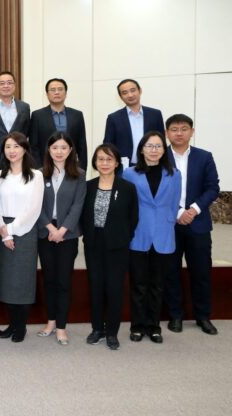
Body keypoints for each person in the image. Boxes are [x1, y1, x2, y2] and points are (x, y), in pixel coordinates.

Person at [163, 114, 220, 335]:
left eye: (184, 129)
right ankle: (175, 315)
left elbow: (212, 187)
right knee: (171, 271)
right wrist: (178, 212)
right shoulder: (160, 157)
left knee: (201, 271)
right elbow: (156, 190)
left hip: (198, 223)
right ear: (167, 133)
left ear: (192, 131)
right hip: (169, 224)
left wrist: (193, 209)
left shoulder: (204, 157)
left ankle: (203, 316)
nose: (179, 133)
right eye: (174, 129)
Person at [123, 131, 181, 344]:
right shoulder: (129, 173)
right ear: (141, 149)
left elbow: (174, 204)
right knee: (138, 284)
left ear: (164, 150)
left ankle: (154, 327)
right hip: (139, 232)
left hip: (163, 234)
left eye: (158, 146)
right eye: (149, 146)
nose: (153, 150)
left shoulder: (174, 174)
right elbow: (127, 203)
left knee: (157, 284)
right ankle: (137, 326)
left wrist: (167, 223)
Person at [81, 144, 138, 351]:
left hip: (117, 245)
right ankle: (97, 329)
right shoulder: (87, 187)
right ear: (95, 163)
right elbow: (82, 215)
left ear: (116, 163)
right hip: (93, 243)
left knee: (114, 288)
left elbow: (133, 217)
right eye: (100, 159)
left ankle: (112, 332)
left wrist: (123, 237)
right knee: (95, 287)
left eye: (109, 159)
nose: (104, 163)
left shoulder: (127, 188)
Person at [35, 132, 86, 346]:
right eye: (55, 147)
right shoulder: (39, 174)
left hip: (68, 234)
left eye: (64, 147)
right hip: (45, 232)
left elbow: (78, 205)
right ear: (49, 150)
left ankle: (62, 326)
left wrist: (62, 230)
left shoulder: (79, 174)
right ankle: (51, 322)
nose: (59, 151)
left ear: (70, 150)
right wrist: (50, 227)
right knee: (49, 279)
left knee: (64, 280)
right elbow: (35, 204)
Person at [0, 131, 43, 343]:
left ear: (24, 149)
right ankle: (11, 324)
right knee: (6, 280)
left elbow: (33, 208)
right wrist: (3, 230)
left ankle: (21, 326)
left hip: (25, 230)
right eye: (8, 147)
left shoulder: (36, 175)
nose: (12, 151)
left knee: (22, 281)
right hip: (2, 230)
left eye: (16, 146)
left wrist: (11, 230)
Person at [29, 78, 87, 171]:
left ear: (66, 93)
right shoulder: (37, 115)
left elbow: (82, 146)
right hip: (45, 168)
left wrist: (81, 170)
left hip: (71, 168)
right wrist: (39, 170)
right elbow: (33, 146)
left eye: (60, 89)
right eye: (53, 90)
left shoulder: (77, 115)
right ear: (47, 94)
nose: (57, 92)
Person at [103, 79, 164, 169]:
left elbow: (162, 141)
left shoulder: (155, 114)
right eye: (125, 93)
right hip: (124, 168)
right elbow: (108, 145)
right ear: (120, 97)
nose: (130, 95)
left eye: (133, 90)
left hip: (152, 165)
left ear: (140, 91)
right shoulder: (113, 118)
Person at [0, 71, 30, 170]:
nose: (6, 86)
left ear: (14, 85)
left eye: (9, 83)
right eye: (2, 83)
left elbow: (25, 132)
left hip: (18, 159)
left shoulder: (24, 107)